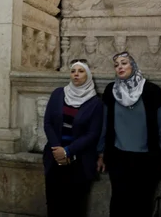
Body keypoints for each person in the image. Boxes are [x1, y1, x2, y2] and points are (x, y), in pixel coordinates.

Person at [97, 52, 161, 217]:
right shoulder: (111, 91)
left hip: (146, 159)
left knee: (142, 204)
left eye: (124, 63)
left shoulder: (151, 91)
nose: (120, 67)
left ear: (133, 65)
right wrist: (101, 153)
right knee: (119, 203)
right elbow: (105, 125)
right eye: (116, 65)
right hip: (118, 157)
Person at [43, 60, 103, 217]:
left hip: (79, 161)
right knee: (54, 204)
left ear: (88, 75)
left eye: (81, 71)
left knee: (75, 206)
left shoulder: (95, 102)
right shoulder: (58, 94)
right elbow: (48, 122)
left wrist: (68, 151)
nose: (76, 74)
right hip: (55, 158)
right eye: (73, 71)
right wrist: (57, 149)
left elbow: (93, 133)